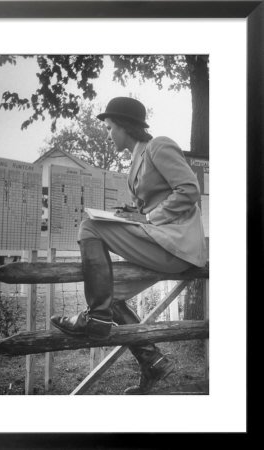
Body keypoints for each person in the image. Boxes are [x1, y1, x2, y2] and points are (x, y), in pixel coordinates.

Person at [51, 97, 208, 394]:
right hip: (161, 242)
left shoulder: (159, 146)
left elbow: (189, 190)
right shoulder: (137, 158)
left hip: (177, 244)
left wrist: (148, 216)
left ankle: (95, 317)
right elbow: (151, 203)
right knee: (110, 293)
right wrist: (132, 212)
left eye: (110, 128)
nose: (108, 134)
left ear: (124, 126)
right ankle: (153, 361)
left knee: (90, 226)